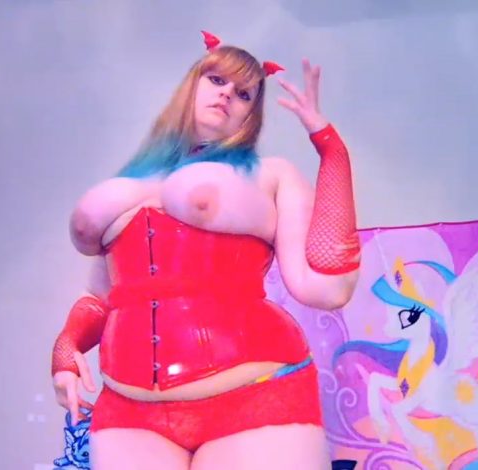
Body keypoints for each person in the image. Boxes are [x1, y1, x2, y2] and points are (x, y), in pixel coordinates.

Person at [51, 31, 362, 469]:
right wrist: (66, 349)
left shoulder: (272, 175)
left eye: (244, 93)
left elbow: (327, 288)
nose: (227, 94)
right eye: (217, 80)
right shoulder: (130, 183)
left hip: (255, 395)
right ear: (192, 84)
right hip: (126, 409)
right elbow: (101, 298)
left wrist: (330, 149)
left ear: (251, 115)